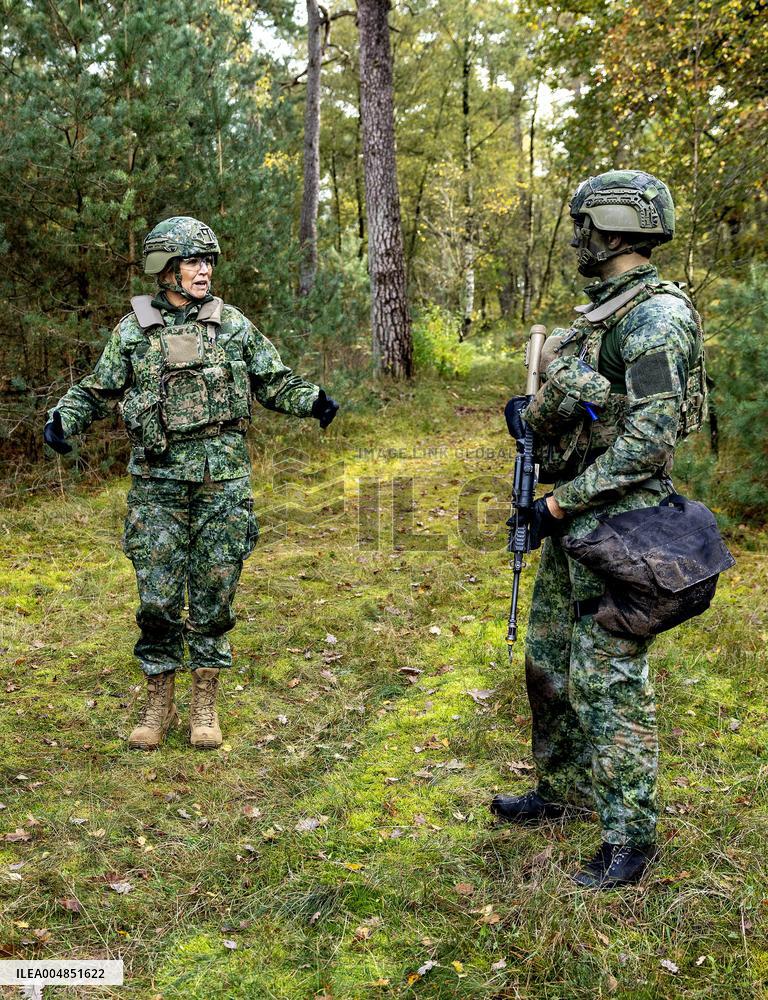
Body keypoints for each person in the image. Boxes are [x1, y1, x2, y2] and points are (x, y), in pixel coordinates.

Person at [44, 217, 338, 751]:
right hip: (157, 481)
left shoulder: (233, 326)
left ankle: (206, 699)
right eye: (193, 261)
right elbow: (96, 389)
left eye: (208, 261)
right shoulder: (134, 330)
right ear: (166, 269)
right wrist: (64, 419)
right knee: (156, 595)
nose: (204, 271)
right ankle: (158, 701)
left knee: (215, 591)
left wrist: (312, 400)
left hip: (221, 478)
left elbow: (274, 381)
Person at [491, 171, 708, 889]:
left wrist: (557, 506)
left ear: (611, 227)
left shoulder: (656, 318)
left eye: (584, 224)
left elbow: (649, 440)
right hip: (580, 516)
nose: (577, 237)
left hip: (623, 525)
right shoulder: (608, 311)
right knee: (550, 663)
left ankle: (629, 837)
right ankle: (562, 793)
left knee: (611, 681)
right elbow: (595, 412)